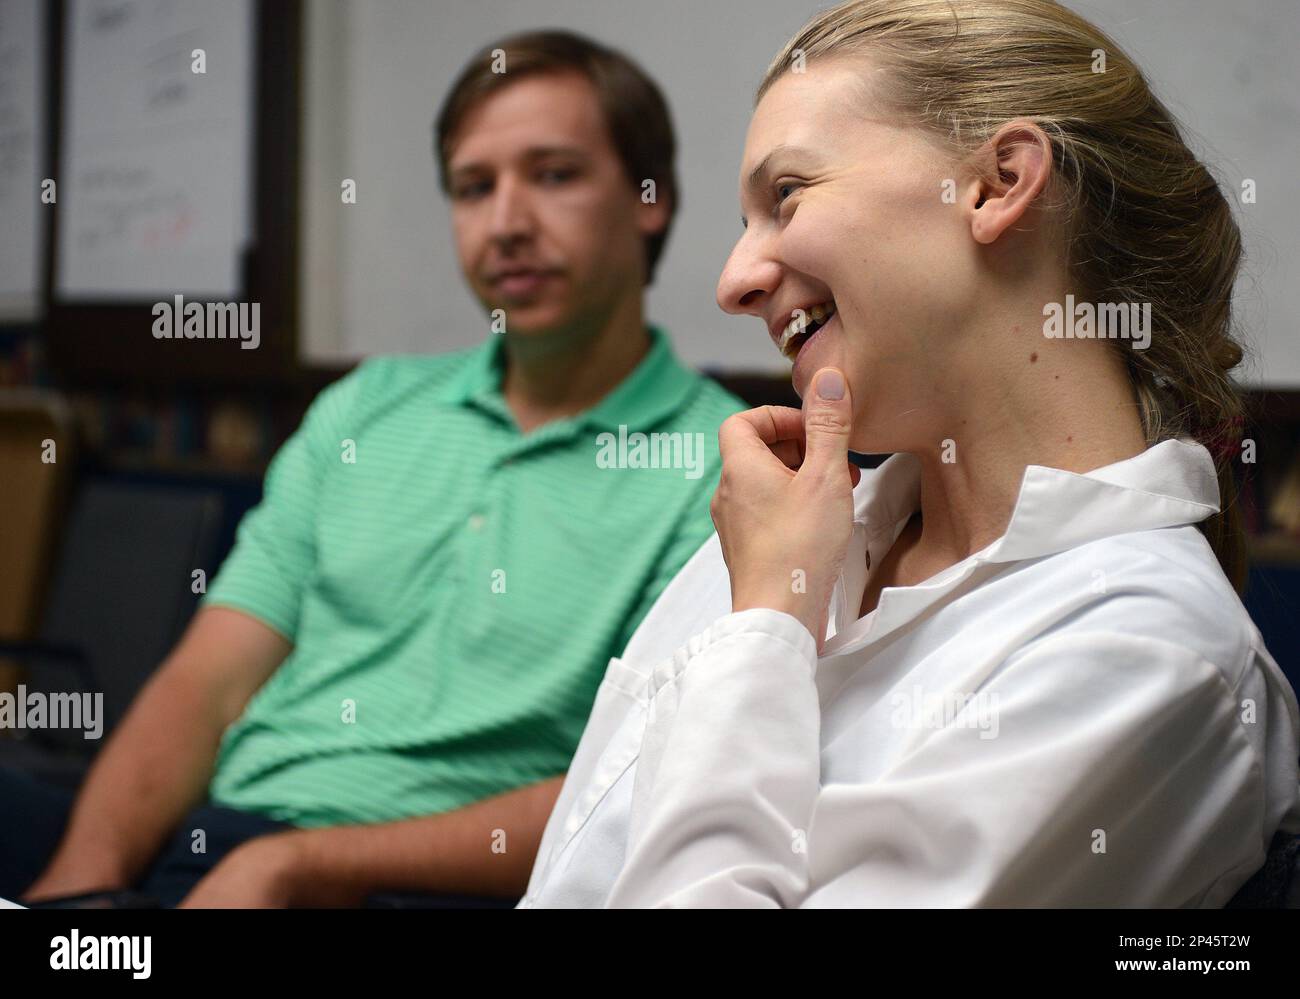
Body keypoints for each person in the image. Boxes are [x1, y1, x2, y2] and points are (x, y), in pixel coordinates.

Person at [520, 0, 1300, 907]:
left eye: (787, 196)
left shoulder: (1151, 656)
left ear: (999, 182)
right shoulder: (790, 535)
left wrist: (767, 627)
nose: (735, 282)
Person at [3, 29, 743, 908]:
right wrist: (77, 891)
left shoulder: (723, 464)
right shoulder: (365, 409)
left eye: (553, 174)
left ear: (650, 199)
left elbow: (637, 789)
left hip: (426, 886)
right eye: (475, 187)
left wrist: (301, 864)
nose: (506, 222)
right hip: (221, 842)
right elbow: (207, 681)